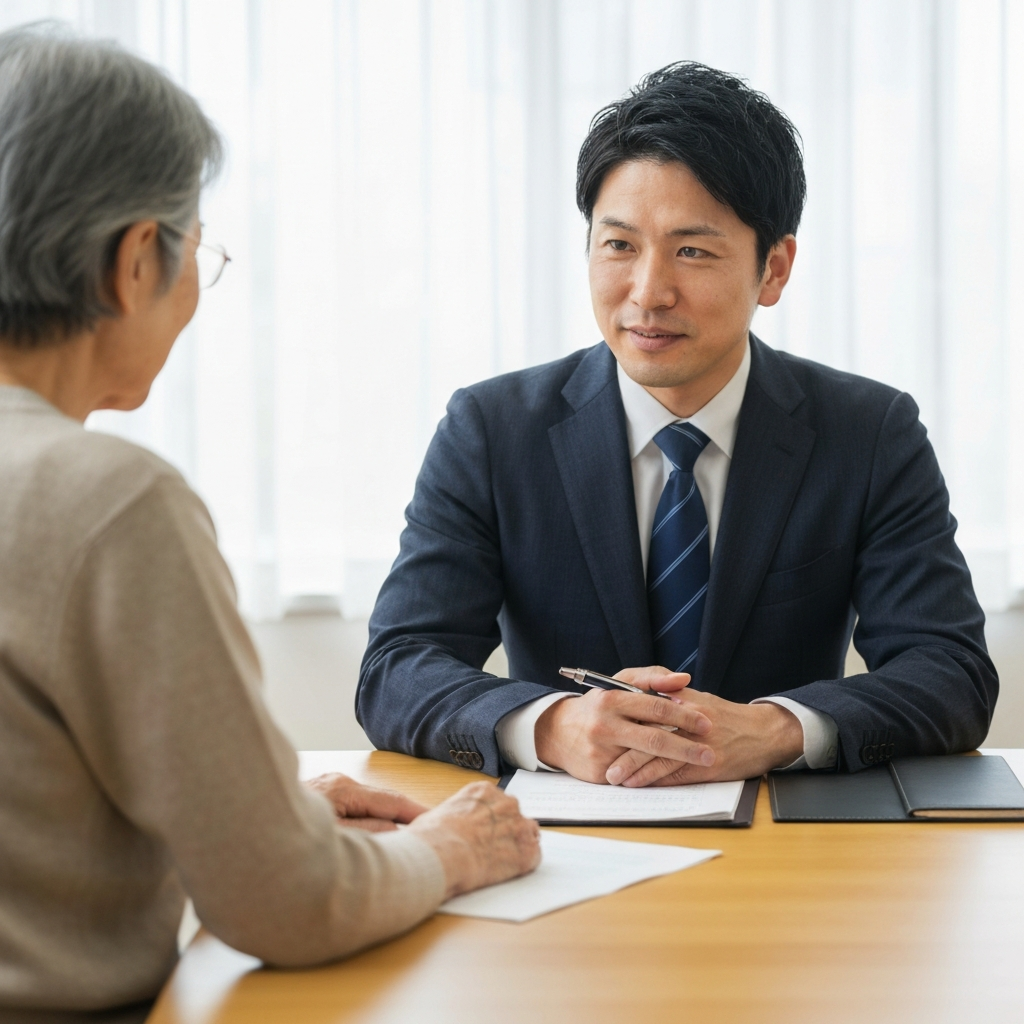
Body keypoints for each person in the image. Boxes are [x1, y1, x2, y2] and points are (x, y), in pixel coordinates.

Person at [0, 27, 539, 1024]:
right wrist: (447, 848)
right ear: (134, 260)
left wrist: (262, 816)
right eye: (197, 249)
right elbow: (288, 904)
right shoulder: (109, 502)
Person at [358, 62, 998, 788]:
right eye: (619, 245)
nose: (648, 292)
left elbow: (950, 672)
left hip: (784, 829)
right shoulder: (490, 431)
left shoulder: (870, 433)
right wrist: (554, 726)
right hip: (567, 828)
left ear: (773, 269)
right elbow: (396, 668)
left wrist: (774, 729)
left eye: (692, 250)